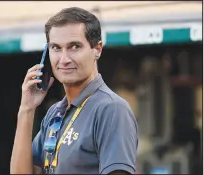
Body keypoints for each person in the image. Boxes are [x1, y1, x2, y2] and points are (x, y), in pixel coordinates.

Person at [10, 7, 138, 174]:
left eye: (74, 46)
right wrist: (26, 110)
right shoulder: (54, 113)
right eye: (56, 48)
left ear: (97, 49)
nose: (64, 59)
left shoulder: (111, 109)